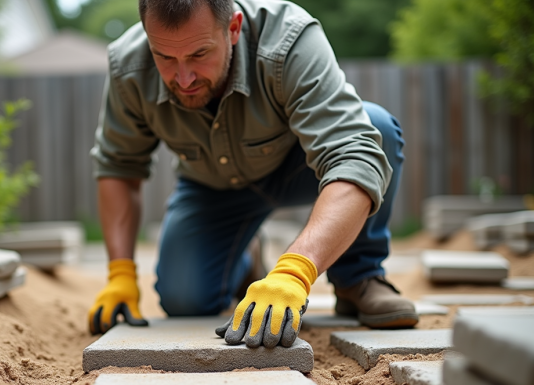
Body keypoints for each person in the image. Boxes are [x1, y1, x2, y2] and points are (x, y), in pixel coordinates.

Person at [88, 0, 418, 348]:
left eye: (199, 53)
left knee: (374, 127)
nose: (183, 78)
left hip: (299, 168)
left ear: (233, 28)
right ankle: (244, 260)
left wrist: (295, 271)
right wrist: (120, 273)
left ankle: (358, 276)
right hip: (212, 189)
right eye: (165, 58)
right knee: (185, 301)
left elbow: (353, 153)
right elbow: (118, 168)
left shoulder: (288, 39)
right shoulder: (128, 66)